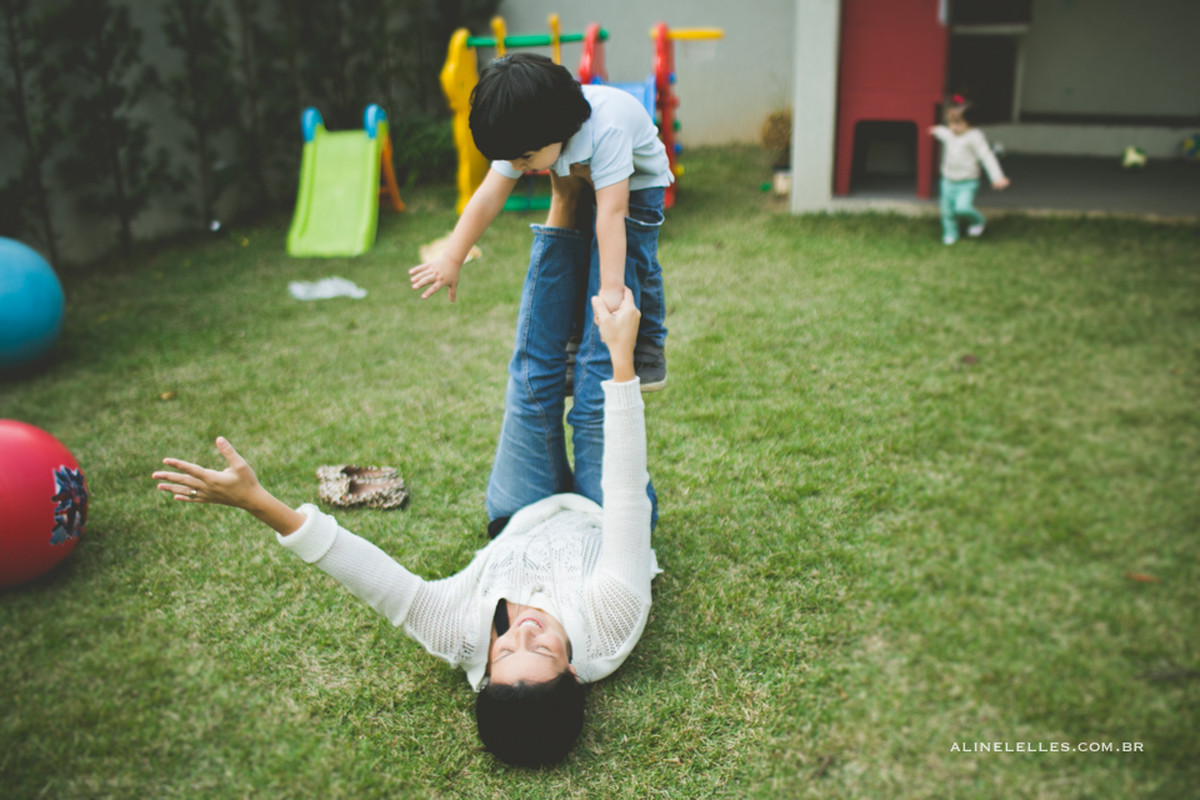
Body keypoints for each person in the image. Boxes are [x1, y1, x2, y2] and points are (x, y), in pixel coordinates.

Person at [152, 288, 659, 769]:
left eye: (505, 651)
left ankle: (560, 223)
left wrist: (257, 502)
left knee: (531, 382)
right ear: (574, 671)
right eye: (543, 649)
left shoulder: (460, 636)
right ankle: (611, 243)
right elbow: (626, 500)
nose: (524, 632)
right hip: (603, 511)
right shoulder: (611, 623)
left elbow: (374, 578)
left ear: (487, 672)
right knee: (596, 390)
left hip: (520, 514)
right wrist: (622, 359)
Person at [408, 52, 672, 397]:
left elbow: (613, 213)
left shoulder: (607, 129)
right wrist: (452, 257)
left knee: (634, 257)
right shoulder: (524, 136)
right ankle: (577, 339)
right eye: (512, 159)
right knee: (578, 256)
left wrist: (610, 292)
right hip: (592, 177)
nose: (518, 166)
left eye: (525, 159)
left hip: (639, 184)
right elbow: (487, 197)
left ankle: (648, 346)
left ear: (556, 130)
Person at [929, 95, 1011, 245]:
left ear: (970, 122)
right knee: (947, 211)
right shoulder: (950, 133)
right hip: (948, 181)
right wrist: (936, 130)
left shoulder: (974, 137)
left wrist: (997, 177)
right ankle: (950, 234)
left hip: (967, 182)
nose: (952, 127)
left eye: (957, 123)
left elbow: (986, 156)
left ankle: (978, 220)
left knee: (962, 208)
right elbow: (943, 133)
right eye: (949, 122)